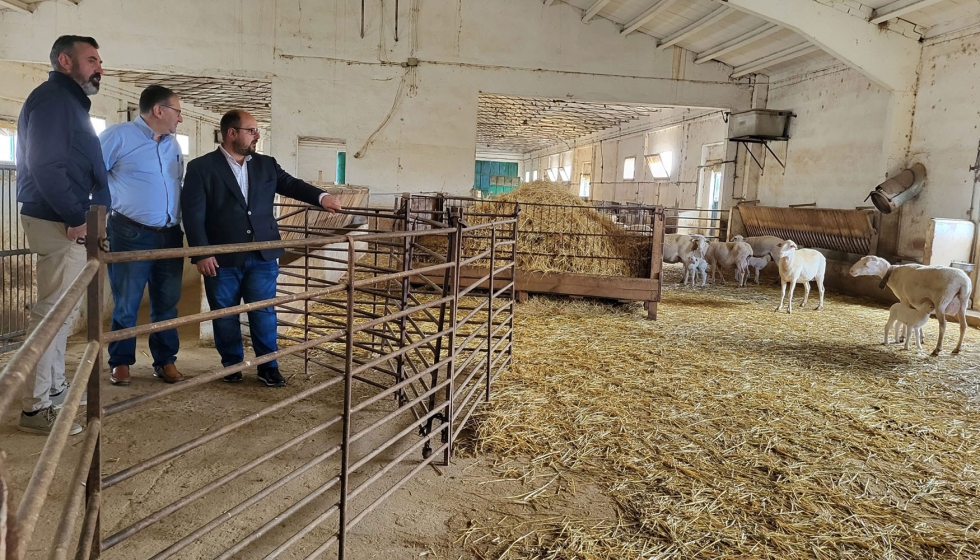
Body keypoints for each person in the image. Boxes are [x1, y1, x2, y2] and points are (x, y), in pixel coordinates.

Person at [180, 110, 342, 387]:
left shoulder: (266, 164)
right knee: (225, 313)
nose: (257, 135)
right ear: (231, 133)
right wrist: (202, 252)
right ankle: (231, 365)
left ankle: (268, 365)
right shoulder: (201, 167)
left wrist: (321, 196)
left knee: (264, 311)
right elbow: (192, 214)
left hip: (262, 254)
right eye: (251, 130)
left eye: (256, 131)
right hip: (222, 257)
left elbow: (291, 185)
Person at [16, 35, 107, 435]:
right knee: (53, 312)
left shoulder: (67, 102)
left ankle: (52, 391)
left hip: (63, 219)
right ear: (65, 61)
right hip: (59, 220)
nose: (99, 66)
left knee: (63, 311)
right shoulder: (55, 100)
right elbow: (46, 164)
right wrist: (76, 215)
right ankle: (36, 409)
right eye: (91, 59)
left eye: (99, 60)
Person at [100, 85, 186, 386]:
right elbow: (93, 177)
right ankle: (120, 361)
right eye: (177, 111)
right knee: (127, 300)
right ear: (159, 110)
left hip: (171, 233)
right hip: (131, 231)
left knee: (167, 301)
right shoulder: (118, 136)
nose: (181, 118)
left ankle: (165, 361)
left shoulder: (173, 145)